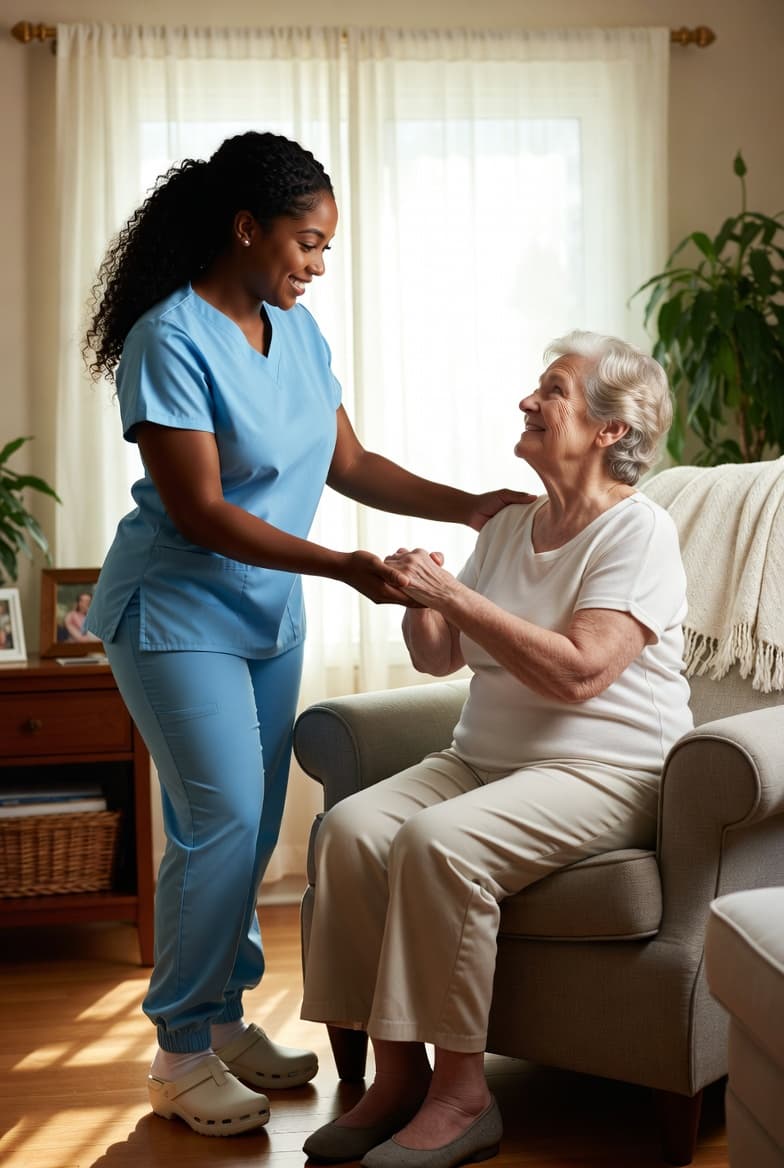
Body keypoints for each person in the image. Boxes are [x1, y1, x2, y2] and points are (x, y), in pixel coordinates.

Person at [82, 130, 531, 1140]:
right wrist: (342, 567)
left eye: (326, 247)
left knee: (246, 824)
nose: (318, 265)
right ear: (247, 228)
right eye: (307, 242)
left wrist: (472, 506)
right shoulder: (169, 337)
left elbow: (351, 463)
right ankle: (178, 1053)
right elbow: (197, 510)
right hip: (174, 614)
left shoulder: (299, 334)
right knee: (223, 821)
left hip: (266, 616)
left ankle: (223, 1016)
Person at [300, 330, 694, 1168]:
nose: (527, 401)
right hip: (482, 757)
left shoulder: (639, 534)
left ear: (610, 429)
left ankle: (462, 1095)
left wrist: (454, 596)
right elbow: (439, 655)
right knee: (350, 830)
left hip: (608, 771)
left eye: (551, 389)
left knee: (440, 845)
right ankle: (397, 1075)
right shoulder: (513, 525)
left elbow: (583, 674)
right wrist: (422, 593)